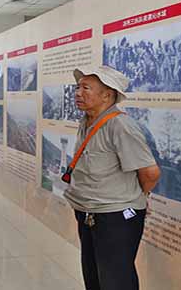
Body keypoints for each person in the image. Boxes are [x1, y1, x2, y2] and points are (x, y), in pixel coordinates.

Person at [64, 65, 161, 290]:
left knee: (115, 279)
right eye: (78, 87)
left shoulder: (120, 125)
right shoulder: (87, 121)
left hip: (115, 217)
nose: (78, 93)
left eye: (85, 88)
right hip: (89, 211)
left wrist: (137, 197)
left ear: (107, 95)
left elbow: (150, 173)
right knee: (94, 275)